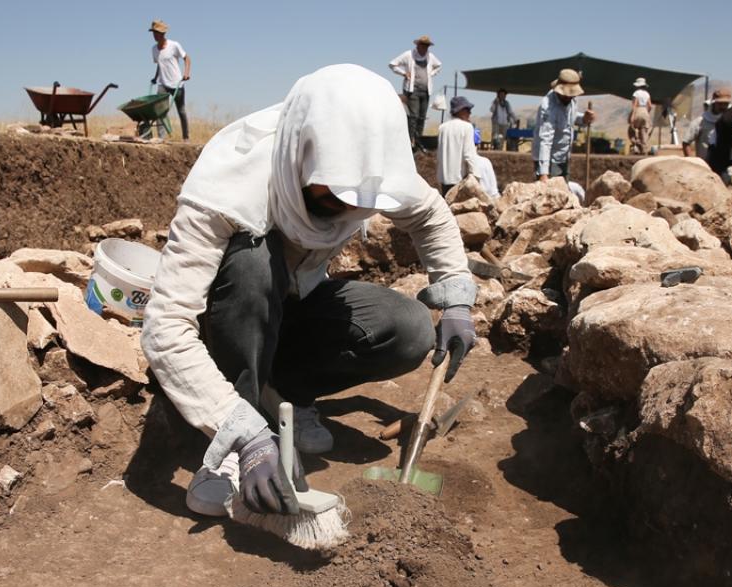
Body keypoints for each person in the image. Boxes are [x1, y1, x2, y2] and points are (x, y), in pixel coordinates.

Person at [141, 65, 477, 518]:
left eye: (361, 203)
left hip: (294, 304)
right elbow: (165, 327)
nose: (346, 213)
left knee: (410, 329)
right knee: (252, 262)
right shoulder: (226, 187)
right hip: (224, 319)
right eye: (333, 200)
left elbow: (429, 214)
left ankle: (286, 393)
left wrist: (455, 293)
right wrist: (240, 430)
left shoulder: (365, 165)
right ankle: (234, 438)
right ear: (300, 155)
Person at [532, 69, 594, 181]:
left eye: (571, 95)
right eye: (566, 95)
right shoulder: (548, 107)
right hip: (549, 159)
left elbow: (572, 119)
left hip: (564, 157)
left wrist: (584, 119)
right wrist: (543, 173)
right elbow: (545, 140)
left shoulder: (572, 99)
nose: (569, 97)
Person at [389, 36, 442, 151]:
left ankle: (418, 141)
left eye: (427, 46)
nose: (425, 48)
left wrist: (431, 74)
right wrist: (403, 73)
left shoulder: (430, 56)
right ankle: (410, 141)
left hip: (426, 91)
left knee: (422, 117)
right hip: (413, 90)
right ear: (418, 45)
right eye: (423, 45)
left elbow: (439, 66)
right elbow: (392, 64)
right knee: (413, 116)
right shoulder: (409, 55)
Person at [149, 19, 191, 141]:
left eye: (156, 33)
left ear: (162, 33)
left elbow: (187, 59)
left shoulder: (174, 45)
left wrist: (186, 73)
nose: (154, 35)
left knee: (181, 111)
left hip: (177, 83)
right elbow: (159, 64)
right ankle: (161, 138)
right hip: (163, 84)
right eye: (153, 33)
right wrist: (155, 78)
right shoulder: (154, 49)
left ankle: (186, 138)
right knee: (160, 112)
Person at [436, 96, 480, 196]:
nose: (470, 113)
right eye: (467, 110)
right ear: (460, 111)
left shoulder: (442, 128)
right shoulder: (467, 127)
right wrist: (476, 176)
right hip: (459, 179)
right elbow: (469, 154)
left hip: (444, 178)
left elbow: (439, 154)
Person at [682, 88, 731, 158]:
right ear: (714, 103)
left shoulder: (730, 122)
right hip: (705, 165)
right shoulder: (699, 121)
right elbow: (686, 142)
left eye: (725, 104)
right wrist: (693, 162)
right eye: (720, 104)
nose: (723, 106)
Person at [628, 77, 652, 154]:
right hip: (645, 111)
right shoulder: (647, 94)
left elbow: (634, 105)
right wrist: (647, 113)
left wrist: (632, 116)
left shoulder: (636, 93)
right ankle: (644, 150)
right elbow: (650, 106)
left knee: (631, 129)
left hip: (638, 110)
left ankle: (635, 144)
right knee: (643, 131)